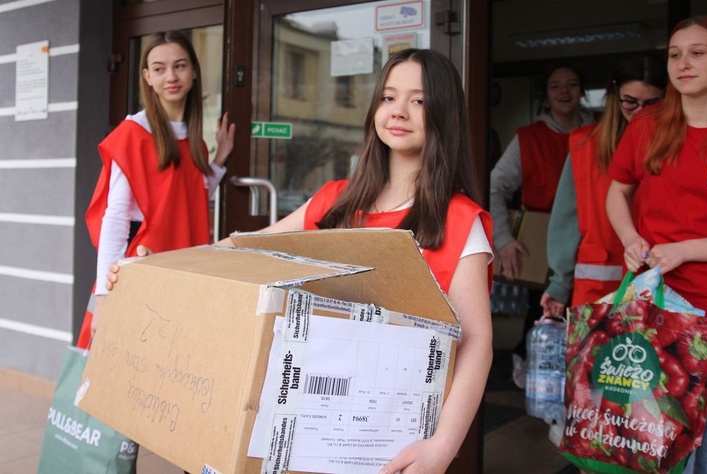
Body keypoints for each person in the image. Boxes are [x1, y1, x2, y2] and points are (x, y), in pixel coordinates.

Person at [107, 48, 494, 474]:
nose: (399, 111)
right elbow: (235, 250)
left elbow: (477, 342)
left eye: (418, 101)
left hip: (390, 435)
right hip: (305, 418)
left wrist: (441, 448)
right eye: (387, 97)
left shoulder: (461, 221)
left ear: (444, 113)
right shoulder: (334, 201)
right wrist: (149, 268)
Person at [606, 15, 707, 474]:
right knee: (656, 448)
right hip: (660, 307)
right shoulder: (648, 125)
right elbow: (617, 191)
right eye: (674, 54)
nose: (683, 63)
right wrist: (630, 237)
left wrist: (687, 249)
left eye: (697, 52)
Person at [78, 30, 236, 348]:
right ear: (147, 77)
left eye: (179, 66)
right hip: (140, 272)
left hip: (181, 269)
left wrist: (217, 158)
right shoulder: (132, 135)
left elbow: (185, 203)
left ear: (193, 72)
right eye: (159, 69)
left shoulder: (196, 144)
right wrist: (104, 298)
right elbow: (116, 220)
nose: (171, 76)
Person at [489, 62, 594, 387]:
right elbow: (494, 186)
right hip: (545, 240)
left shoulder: (601, 133)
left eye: (572, 84)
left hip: (595, 239)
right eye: (555, 86)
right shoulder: (529, 137)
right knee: (544, 309)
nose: (564, 91)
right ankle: (534, 368)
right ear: (546, 97)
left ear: (582, 92)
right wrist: (503, 239)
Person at [541, 55, 667, 317]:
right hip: (597, 292)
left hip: (662, 287)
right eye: (630, 102)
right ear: (614, 96)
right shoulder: (584, 146)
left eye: (651, 104)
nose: (640, 112)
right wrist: (559, 284)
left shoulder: (677, 146)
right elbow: (565, 220)